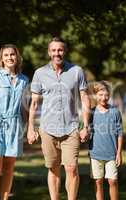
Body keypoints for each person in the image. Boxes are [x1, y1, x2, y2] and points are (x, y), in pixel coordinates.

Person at [27, 37, 90, 200]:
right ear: (49, 52)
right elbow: (33, 103)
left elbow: (84, 98)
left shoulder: (77, 71)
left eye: (60, 50)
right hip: (47, 129)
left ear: (65, 51)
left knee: (71, 168)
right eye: (54, 50)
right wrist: (30, 128)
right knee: (53, 168)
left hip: (71, 128)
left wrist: (85, 126)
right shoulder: (39, 73)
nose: (57, 53)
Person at [0, 44, 29, 200]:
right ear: (1, 59)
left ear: (17, 57)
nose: (10, 57)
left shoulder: (24, 80)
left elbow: (24, 108)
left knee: (9, 169)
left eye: (12, 55)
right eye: (6, 55)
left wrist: (28, 127)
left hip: (15, 126)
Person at [88, 81, 124, 200]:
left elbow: (120, 133)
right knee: (98, 181)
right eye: (100, 95)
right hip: (95, 153)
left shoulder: (115, 112)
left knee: (112, 181)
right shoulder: (91, 113)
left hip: (112, 154)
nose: (104, 98)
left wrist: (119, 153)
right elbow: (85, 130)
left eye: (106, 95)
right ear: (95, 95)